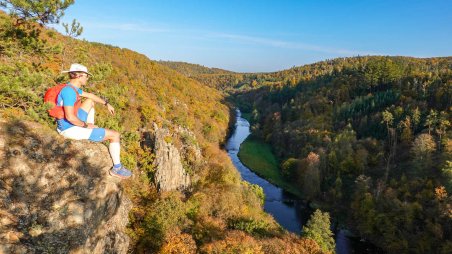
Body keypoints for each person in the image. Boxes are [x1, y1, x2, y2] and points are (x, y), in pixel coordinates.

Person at [57, 63, 132, 179]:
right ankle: (117, 168)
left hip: (70, 123)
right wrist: (86, 126)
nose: (87, 78)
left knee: (89, 101)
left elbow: (91, 96)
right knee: (115, 135)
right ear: (79, 76)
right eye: (86, 75)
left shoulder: (71, 88)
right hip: (69, 128)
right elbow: (70, 117)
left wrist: (107, 104)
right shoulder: (69, 92)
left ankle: (90, 132)